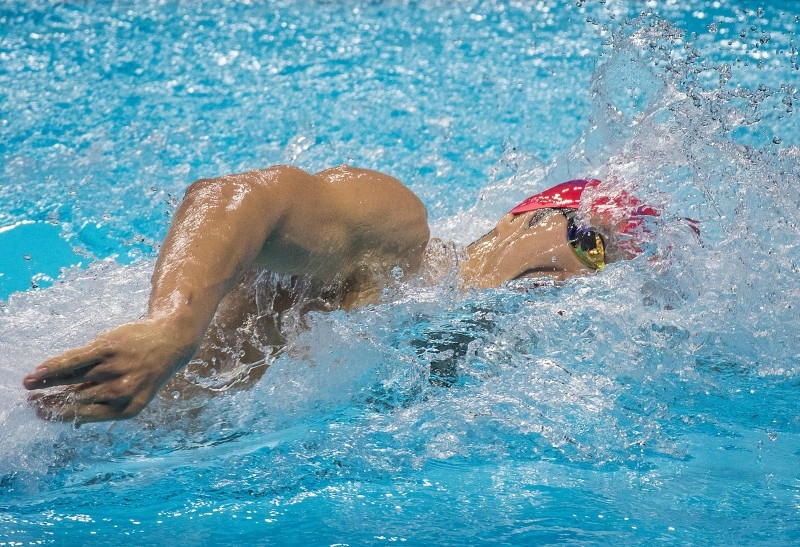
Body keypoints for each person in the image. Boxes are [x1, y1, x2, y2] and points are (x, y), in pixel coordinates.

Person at [23, 164, 646, 423]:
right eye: (591, 244)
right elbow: (234, 198)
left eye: (608, 278)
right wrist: (174, 328)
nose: (581, 282)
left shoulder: (463, 379)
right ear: (527, 218)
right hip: (39, 407)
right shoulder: (400, 238)